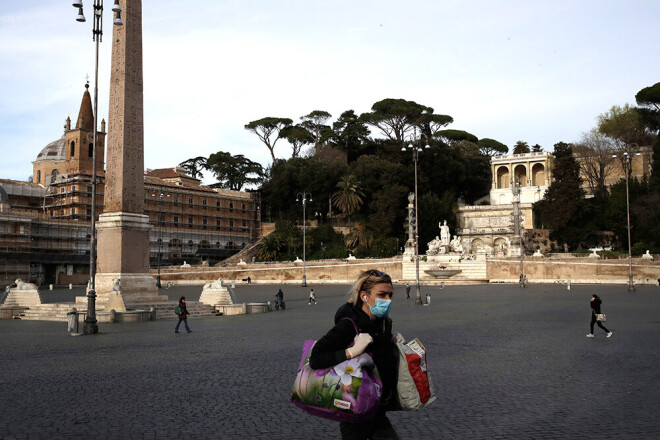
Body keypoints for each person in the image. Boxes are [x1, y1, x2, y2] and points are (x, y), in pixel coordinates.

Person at [310, 269, 403, 440]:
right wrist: (351, 351)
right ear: (364, 296)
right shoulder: (348, 325)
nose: (388, 301)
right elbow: (316, 358)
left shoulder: (383, 324)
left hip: (376, 406)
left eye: (390, 295)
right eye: (382, 295)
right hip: (355, 408)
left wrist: (393, 345)